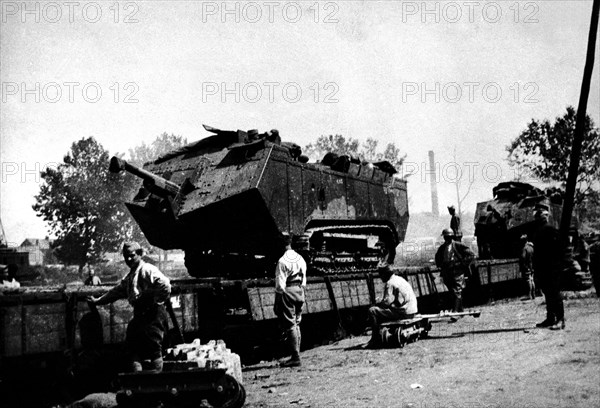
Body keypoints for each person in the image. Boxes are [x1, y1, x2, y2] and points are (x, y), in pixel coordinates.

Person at [88, 242, 171, 372]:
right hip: (140, 314)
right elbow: (116, 292)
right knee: (132, 348)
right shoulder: (130, 276)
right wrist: (97, 301)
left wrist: (152, 297)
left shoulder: (147, 269)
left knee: (154, 347)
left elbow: (165, 284)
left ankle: (156, 383)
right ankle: (137, 382)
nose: (129, 259)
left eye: (132, 256)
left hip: (153, 314)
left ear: (140, 254)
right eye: (126, 256)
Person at [273, 233, 307, 368]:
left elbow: (280, 286)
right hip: (299, 290)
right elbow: (304, 280)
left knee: (290, 324)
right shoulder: (301, 258)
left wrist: (277, 301)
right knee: (297, 322)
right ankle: (297, 354)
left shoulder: (282, 261)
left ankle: (295, 357)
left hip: (288, 291)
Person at [366, 264, 418, 348]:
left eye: (380, 274)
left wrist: (377, 304)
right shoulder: (400, 279)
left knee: (372, 310)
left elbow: (387, 302)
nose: (380, 277)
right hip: (412, 310)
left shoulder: (390, 283)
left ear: (385, 274)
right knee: (383, 310)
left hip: (403, 312)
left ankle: (375, 339)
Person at [532, 210, 565, 330]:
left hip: (551, 268)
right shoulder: (543, 231)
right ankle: (551, 318)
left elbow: (559, 249)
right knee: (549, 293)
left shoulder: (549, 230)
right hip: (546, 268)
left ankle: (560, 320)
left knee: (554, 293)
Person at [435, 228, 474, 316]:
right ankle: (460, 310)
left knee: (457, 291)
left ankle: (455, 312)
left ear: (452, 237)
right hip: (447, 272)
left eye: (448, 237)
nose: (447, 239)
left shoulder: (458, 245)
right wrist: (440, 265)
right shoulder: (442, 247)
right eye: (445, 237)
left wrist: (463, 264)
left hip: (457, 271)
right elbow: (438, 257)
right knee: (452, 291)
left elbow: (471, 254)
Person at [519, 235, 536, 300]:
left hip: (526, 266)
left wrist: (523, 265)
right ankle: (534, 294)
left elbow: (523, 257)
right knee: (532, 280)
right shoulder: (531, 248)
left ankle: (529, 295)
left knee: (528, 280)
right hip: (532, 266)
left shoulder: (524, 248)